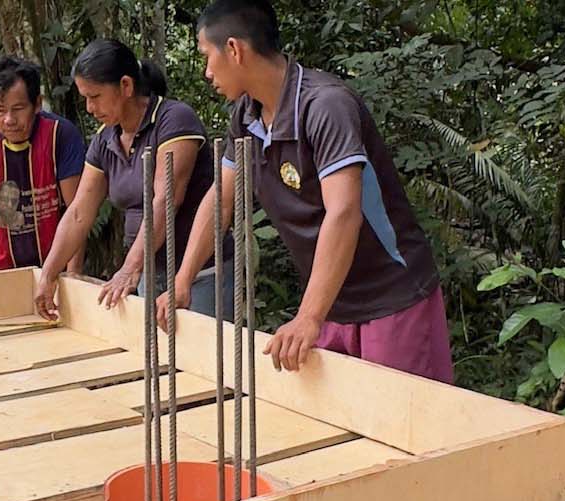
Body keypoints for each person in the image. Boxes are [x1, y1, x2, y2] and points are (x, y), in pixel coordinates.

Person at [173, 0, 454, 382]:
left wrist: (308, 317)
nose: (207, 72)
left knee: (410, 431)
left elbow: (343, 212)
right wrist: (182, 280)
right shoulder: (246, 115)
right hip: (330, 302)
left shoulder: (324, 106)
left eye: (207, 56)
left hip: (391, 299)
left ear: (235, 50)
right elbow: (222, 198)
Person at [33, 38, 231, 321]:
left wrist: (130, 267)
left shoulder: (174, 120)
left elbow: (166, 200)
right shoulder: (105, 139)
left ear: (126, 86)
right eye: (85, 98)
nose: (89, 107)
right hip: (150, 274)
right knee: (155, 361)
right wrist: (48, 273)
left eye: (95, 96)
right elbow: (79, 212)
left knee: (203, 361)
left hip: (203, 274)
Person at [0, 55, 86, 275]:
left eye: (18, 108)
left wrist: (73, 277)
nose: (9, 120)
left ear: (37, 104)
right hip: (4, 271)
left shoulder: (60, 135)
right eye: (1, 110)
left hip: (57, 269)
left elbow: (77, 210)